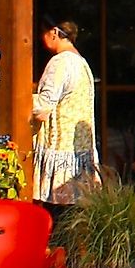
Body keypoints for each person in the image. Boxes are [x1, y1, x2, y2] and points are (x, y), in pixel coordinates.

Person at [32, 21, 97, 208]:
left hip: (61, 151)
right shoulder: (81, 62)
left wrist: (17, 97)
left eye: (43, 33)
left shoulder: (59, 62)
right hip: (80, 150)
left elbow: (43, 108)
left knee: (57, 213)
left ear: (53, 32)